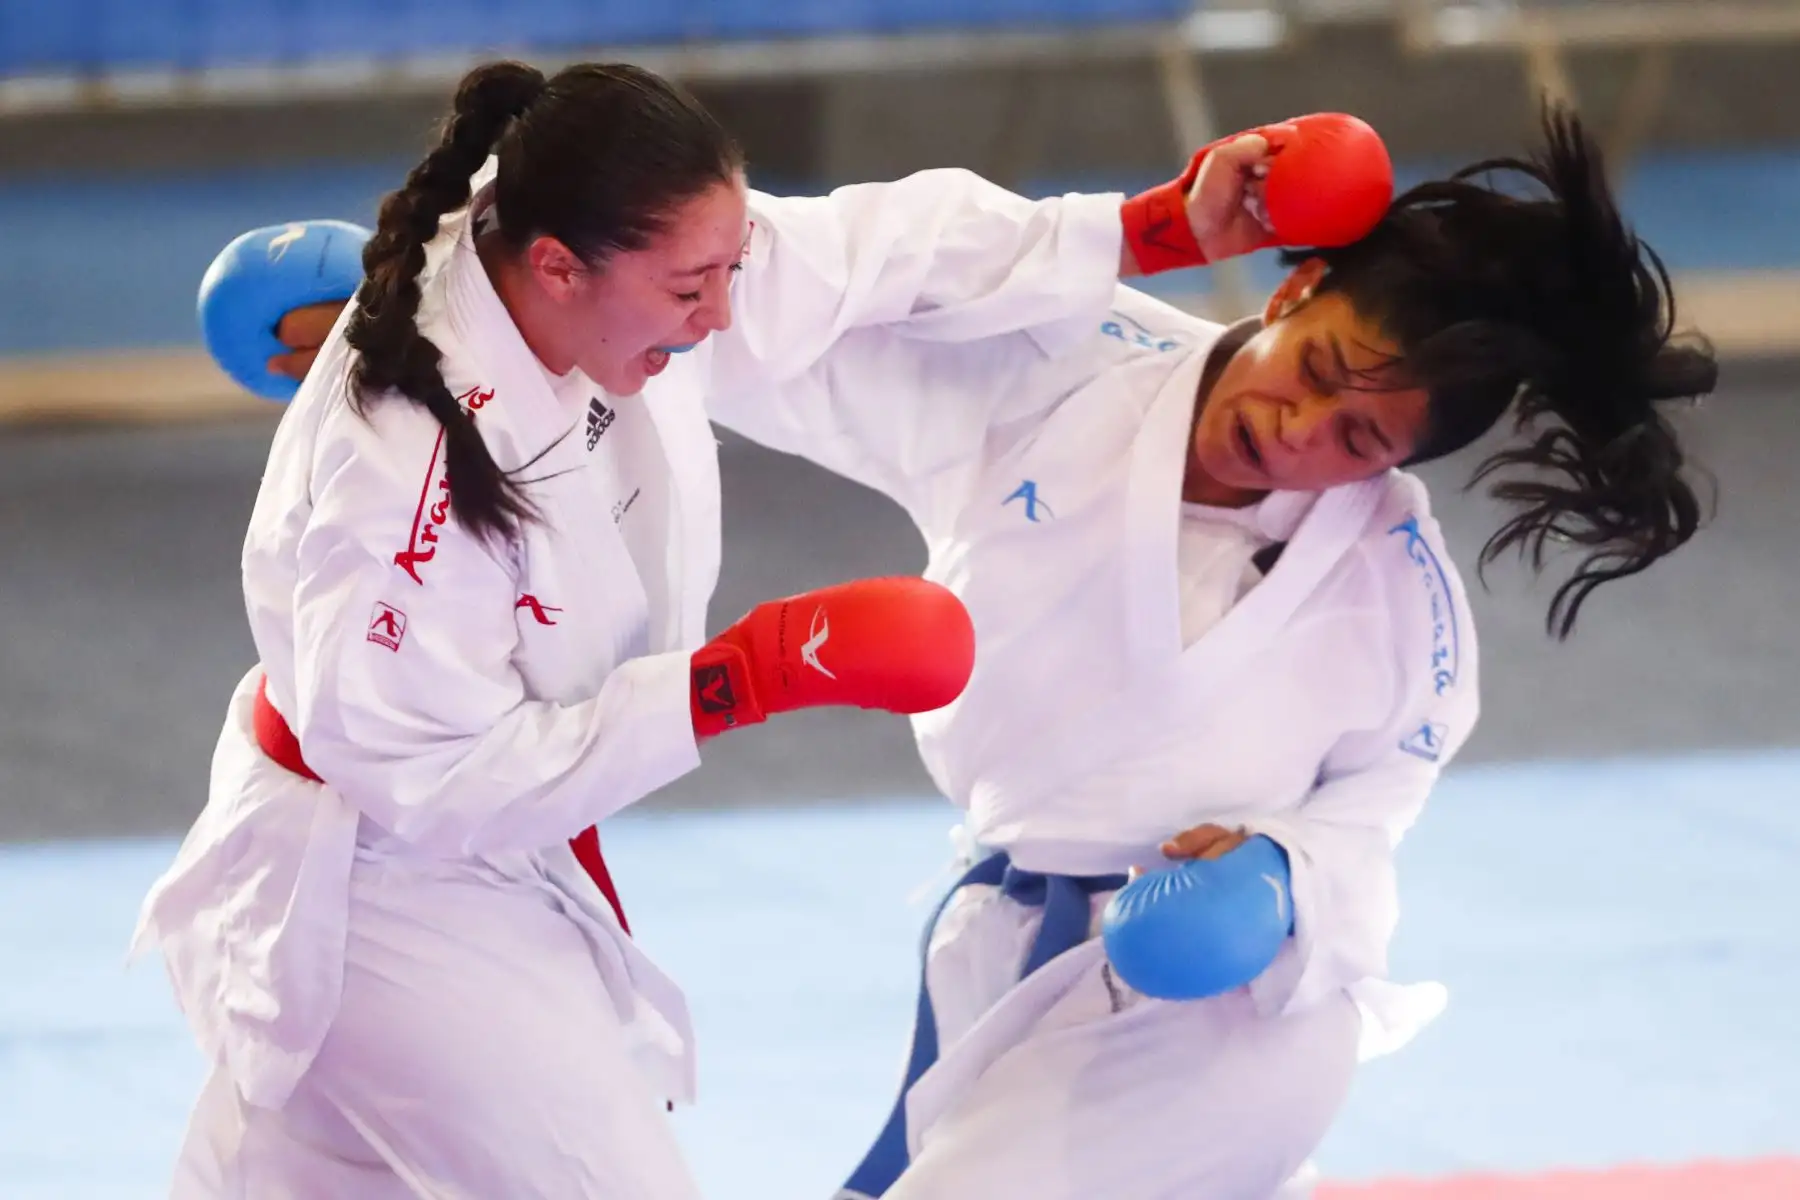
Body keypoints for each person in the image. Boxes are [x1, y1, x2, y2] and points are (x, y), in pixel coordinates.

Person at [139, 58, 1383, 1198]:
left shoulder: (616, 247)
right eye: (694, 288)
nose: (725, 316)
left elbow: (875, 248)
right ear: (562, 268)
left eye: (733, 267)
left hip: (467, 852)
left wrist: (1152, 225)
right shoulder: (404, 479)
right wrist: (744, 679)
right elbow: (431, 780)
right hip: (386, 888)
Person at [697, 105, 1710, 1197]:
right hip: (1008, 940)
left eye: (1357, 439)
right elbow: (761, 277)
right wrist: (1150, 227)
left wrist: (1286, 872)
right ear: (1291, 294)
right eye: (1317, 368)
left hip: (1229, 1012)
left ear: (1396, 462)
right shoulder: (1060, 364)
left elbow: (1380, 800)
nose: (1298, 428)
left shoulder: (1395, 584)